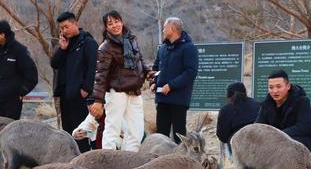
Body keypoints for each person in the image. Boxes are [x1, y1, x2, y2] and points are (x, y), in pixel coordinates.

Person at [89, 10, 149, 151]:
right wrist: (98, 100)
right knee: (112, 131)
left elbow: (140, 60)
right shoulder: (105, 47)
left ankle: (130, 162)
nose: (115, 25)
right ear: (106, 27)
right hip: (116, 94)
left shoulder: (132, 40)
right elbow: (100, 75)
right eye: (110, 23)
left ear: (122, 22)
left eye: (117, 21)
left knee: (137, 132)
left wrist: (150, 73)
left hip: (135, 92)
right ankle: (108, 164)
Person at [50, 11, 98, 153]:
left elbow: (93, 67)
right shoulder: (66, 44)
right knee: (68, 131)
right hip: (66, 95)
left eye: (66, 27)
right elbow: (54, 64)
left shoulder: (88, 42)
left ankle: (84, 160)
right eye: (62, 28)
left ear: (75, 23)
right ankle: (73, 159)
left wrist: (86, 88)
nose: (64, 30)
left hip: (80, 96)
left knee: (81, 132)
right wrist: (62, 49)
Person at [150, 17, 199, 143]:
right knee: (161, 136)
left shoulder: (189, 48)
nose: (163, 29)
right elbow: (155, 69)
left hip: (179, 99)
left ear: (172, 28)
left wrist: (171, 85)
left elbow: (190, 72)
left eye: (164, 27)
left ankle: (179, 161)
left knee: (179, 136)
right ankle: (160, 161)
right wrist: (153, 83)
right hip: (162, 98)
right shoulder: (162, 48)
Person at [255, 69, 311, 155]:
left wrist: (278, 135)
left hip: (304, 140)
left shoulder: (302, 101)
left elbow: (305, 126)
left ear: (288, 86)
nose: (275, 91)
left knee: (286, 147)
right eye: (271, 87)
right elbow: (258, 126)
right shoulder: (266, 104)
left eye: (278, 86)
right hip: (275, 141)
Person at [0, 20, 38, 120]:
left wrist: (21, 92)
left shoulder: (19, 50)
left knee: (9, 131)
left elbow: (32, 75)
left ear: (2, 35)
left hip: (11, 102)